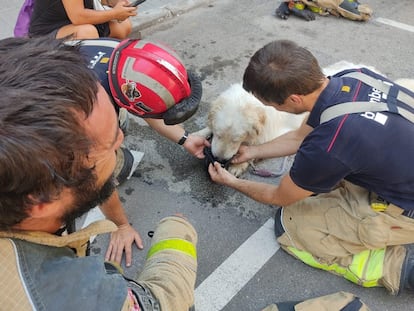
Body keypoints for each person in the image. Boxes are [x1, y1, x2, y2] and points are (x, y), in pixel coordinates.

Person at [0, 36, 197, 311]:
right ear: (42, 199)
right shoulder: (66, 297)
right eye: (111, 144)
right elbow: (162, 301)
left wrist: (184, 139)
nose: (121, 142)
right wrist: (177, 233)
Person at [208, 39, 414, 295]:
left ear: (293, 98)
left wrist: (231, 182)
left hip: (407, 208)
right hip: (398, 154)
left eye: (273, 105)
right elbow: (298, 136)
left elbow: (278, 196)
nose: (272, 109)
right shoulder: (352, 76)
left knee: (291, 228)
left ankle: (398, 268)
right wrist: (252, 151)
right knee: (323, 180)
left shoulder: (330, 143)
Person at [75, 37, 208, 267]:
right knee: (104, 165)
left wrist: (186, 139)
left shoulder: (118, 55)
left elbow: (143, 106)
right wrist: (121, 225)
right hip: (16, 136)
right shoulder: (92, 113)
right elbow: (97, 178)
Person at [29, 0, 137, 39]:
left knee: (123, 26)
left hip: (79, 22)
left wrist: (120, 5)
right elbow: (78, 17)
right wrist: (114, 14)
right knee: (87, 32)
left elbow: (105, 1)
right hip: (47, 32)